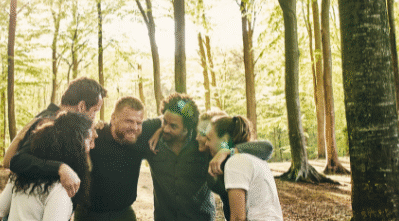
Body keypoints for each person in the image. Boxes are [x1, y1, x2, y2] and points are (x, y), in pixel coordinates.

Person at [146, 93, 274, 221]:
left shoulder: (228, 155)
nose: (197, 138)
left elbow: (267, 147)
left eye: (205, 135)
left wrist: (227, 151)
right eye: (165, 123)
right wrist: (160, 128)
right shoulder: (203, 145)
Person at [5, 77, 107, 197]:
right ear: (82, 106)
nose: (94, 117)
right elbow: (17, 161)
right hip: (28, 209)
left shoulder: (63, 124)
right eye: (95, 111)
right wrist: (60, 168)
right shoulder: (50, 123)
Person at [0, 112, 95, 221]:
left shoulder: (22, 174)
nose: (92, 146)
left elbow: (0, 208)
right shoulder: (61, 190)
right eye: (89, 141)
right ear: (74, 146)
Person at [73, 96, 161, 221]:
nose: (135, 127)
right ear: (113, 118)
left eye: (139, 123)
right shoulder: (94, 136)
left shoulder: (141, 134)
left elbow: (178, 109)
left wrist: (162, 127)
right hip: (89, 215)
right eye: (129, 121)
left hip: (124, 214)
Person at [205, 115, 283, 221]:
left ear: (224, 140)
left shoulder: (235, 162)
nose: (206, 143)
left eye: (209, 139)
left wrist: (228, 151)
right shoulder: (252, 158)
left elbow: (238, 218)